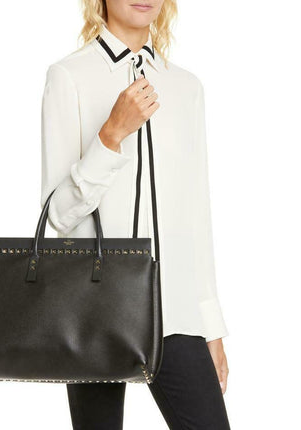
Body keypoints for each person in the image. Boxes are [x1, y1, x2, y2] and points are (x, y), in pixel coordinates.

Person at [40, 0, 231, 428]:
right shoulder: (69, 76)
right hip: (93, 307)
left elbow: (196, 214)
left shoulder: (185, 87)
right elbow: (59, 214)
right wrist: (111, 134)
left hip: (175, 310)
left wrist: (210, 323)